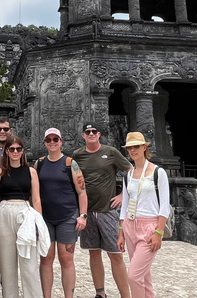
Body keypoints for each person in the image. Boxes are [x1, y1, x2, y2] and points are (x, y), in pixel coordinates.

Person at [73, 122, 132, 298]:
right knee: (94, 252)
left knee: (115, 254)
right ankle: (100, 293)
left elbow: (130, 171)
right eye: (87, 132)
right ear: (83, 135)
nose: (91, 134)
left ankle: (125, 295)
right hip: (88, 211)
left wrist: (123, 195)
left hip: (107, 210)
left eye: (94, 131)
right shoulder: (78, 155)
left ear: (99, 134)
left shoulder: (111, 152)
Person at [35, 128, 88, 298]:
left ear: (61, 142)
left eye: (55, 139)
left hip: (67, 217)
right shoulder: (39, 163)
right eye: (49, 140)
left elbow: (82, 192)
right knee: (46, 259)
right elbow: (34, 192)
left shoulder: (70, 163)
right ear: (45, 143)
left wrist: (83, 215)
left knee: (66, 260)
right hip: (45, 219)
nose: (52, 143)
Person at [116, 132, 170, 298]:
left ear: (145, 147)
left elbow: (164, 206)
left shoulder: (157, 172)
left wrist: (159, 232)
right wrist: (121, 232)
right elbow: (125, 205)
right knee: (144, 276)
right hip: (130, 226)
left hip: (149, 227)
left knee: (134, 275)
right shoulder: (128, 175)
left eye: (136, 146)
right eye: (130, 147)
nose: (133, 150)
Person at [0, 136, 47, 298]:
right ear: (6, 151)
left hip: (25, 212)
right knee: (7, 266)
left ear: (22, 151)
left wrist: (39, 224)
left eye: (18, 149)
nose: (15, 152)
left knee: (29, 265)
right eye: (12, 149)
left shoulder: (31, 172)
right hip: (4, 213)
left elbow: (36, 199)